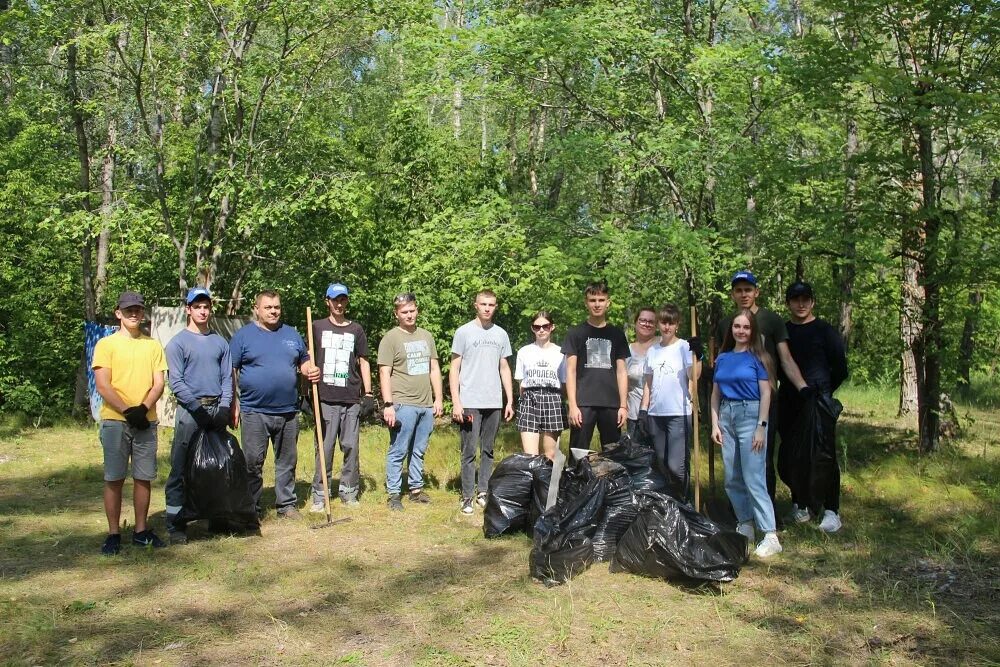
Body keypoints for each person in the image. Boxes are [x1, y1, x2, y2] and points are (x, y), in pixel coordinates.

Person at [714, 270, 809, 515]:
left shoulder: (772, 320)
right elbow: (720, 363)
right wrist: (700, 355)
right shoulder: (727, 323)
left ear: (756, 292)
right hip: (731, 405)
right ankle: (741, 516)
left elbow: (785, 359)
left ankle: (767, 516)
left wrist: (803, 388)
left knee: (762, 460)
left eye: (748, 289)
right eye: (739, 290)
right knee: (734, 464)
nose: (744, 294)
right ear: (733, 294)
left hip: (765, 400)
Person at [230, 290, 320, 519]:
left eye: (277, 307)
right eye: (268, 307)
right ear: (256, 309)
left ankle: (286, 505)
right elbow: (231, 371)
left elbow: (303, 361)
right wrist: (233, 402)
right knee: (252, 462)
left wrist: (310, 369)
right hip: (254, 411)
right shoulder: (244, 336)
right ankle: (251, 507)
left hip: (288, 411)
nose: (273, 311)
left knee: (287, 461)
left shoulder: (291, 334)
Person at [92, 290, 168, 554]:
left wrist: (144, 408)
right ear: (118, 313)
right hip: (115, 421)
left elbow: (159, 383)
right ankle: (113, 533)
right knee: (114, 478)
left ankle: (140, 530)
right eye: (128, 310)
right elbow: (103, 384)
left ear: (142, 313)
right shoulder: (106, 345)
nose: (133, 313)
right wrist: (127, 410)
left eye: (137, 309)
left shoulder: (152, 345)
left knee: (143, 477)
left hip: (146, 422)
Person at [163, 287, 234, 544]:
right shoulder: (178, 343)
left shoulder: (220, 342)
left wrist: (224, 408)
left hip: (216, 408)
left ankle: (216, 516)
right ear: (188, 309)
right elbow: (177, 382)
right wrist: (197, 409)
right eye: (197, 307)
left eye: (206, 307)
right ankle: (177, 523)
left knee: (218, 464)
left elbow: (227, 378)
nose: (202, 311)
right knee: (181, 467)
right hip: (191, 412)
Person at [777, 281, 849, 532]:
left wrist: (823, 392)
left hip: (819, 401)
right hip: (789, 401)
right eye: (795, 299)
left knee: (824, 455)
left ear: (812, 302)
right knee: (792, 454)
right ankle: (801, 504)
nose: (801, 303)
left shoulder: (825, 331)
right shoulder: (783, 332)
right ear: (788, 303)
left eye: (805, 298)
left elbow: (840, 368)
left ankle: (832, 510)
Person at [711, 309, 782, 558]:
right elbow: (715, 394)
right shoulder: (723, 358)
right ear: (731, 329)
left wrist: (761, 427)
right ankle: (745, 524)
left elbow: (766, 394)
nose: (741, 331)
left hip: (750, 415)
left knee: (754, 477)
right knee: (732, 477)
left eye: (746, 327)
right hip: (727, 416)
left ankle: (770, 534)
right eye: (737, 327)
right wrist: (715, 424)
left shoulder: (758, 358)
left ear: (752, 331)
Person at [310, 283, 375, 510]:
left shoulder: (355, 329)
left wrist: (368, 393)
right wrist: (305, 394)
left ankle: (349, 492)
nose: (339, 304)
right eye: (335, 299)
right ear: (327, 301)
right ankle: (320, 494)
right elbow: (307, 361)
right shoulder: (316, 327)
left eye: (343, 300)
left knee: (351, 446)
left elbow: (364, 361)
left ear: (347, 301)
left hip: (350, 397)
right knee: (324, 447)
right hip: (325, 397)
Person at [378, 292, 444, 511]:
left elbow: (434, 369)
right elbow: (384, 373)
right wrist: (388, 405)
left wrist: (438, 398)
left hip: (425, 404)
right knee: (399, 450)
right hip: (402, 403)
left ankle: (416, 489)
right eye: (404, 312)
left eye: (412, 310)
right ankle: (394, 494)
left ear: (417, 310)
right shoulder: (391, 338)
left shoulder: (426, 336)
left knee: (419, 449)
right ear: (396, 314)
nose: (409, 315)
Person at [450, 290, 515, 514]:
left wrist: (509, 400)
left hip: (494, 401)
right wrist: (456, 402)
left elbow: (504, 367)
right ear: (475, 306)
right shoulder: (463, 332)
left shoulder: (501, 334)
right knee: (469, 450)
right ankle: (467, 495)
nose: (487, 308)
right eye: (483, 304)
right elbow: (454, 368)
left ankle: (483, 491)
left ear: (495, 307)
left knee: (488, 450)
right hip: (470, 400)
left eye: (491, 305)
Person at [562, 281, 630, 451]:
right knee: (578, 455)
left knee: (614, 455)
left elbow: (622, 372)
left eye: (601, 300)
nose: (597, 304)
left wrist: (623, 405)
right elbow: (570, 371)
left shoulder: (617, 334)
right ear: (586, 303)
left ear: (608, 302)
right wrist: (573, 405)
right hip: (583, 403)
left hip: (611, 403)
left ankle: (610, 479)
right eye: (593, 300)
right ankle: (578, 479)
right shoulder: (575, 333)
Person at [638, 304, 696, 500]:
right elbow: (648, 383)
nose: (667, 327)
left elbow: (694, 375)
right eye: (663, 322)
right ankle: (669, 505)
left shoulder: (685, 347)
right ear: (658, 325)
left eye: (671, 323)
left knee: (676, 466)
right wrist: (643, 410)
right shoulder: (652, 351)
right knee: (662, 463)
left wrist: (700, 356)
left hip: (679, 412)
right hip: (656, 414)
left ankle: (684, 502)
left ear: (677, 325)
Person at [514, 310, 566, 461]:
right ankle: (533, 485)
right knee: (530, 457)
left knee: (551, 455)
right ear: (532, 328)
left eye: (545, 326)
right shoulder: (524, 352)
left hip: (553, 399)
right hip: (529, 399)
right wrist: (523, 402)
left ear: (552, 327)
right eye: (537, 327)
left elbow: (563, 383)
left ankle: (552, 485)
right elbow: (521, 383)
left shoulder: (561, 353)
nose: (541, 330)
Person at [625, 307, 658, 436]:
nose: (646, 324)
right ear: (635, 322)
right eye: (642, 320)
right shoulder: (627, 350)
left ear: (656, 325)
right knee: (637, 455)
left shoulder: (663, 345)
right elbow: (622, 382)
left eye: (651, 321)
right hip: (634, 415)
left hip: (660, 413)